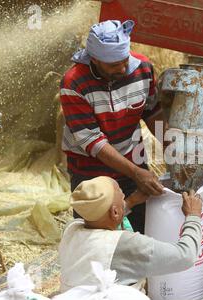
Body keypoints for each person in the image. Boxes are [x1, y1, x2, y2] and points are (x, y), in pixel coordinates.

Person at [60, 19, 165, 233]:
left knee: (140, 232)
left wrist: (172, 145)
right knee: (95, 236)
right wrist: (136, 173)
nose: (123, 68)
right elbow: (94, 143)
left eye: (124, 60)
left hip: (132, 161)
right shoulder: (74, 83)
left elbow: (152, 112)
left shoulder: (143, 68)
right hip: (91, 174)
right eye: (114, 65)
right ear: (95, 60)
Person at [58, 176, 203, 293]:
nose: (124, 198)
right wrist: (193, 216)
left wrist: (130, 202)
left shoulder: (71, 229)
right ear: (115, 212)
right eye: (122, 196)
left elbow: (104, 219)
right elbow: (186, 256)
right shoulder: (124, 245)